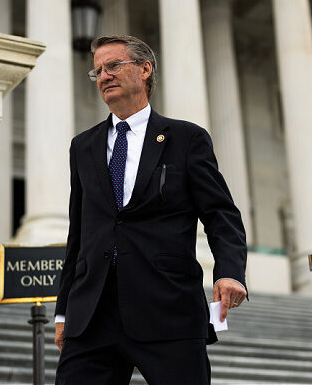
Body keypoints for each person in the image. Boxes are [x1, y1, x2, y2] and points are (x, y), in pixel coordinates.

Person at [54, 35, 247, 385]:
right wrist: (64, 311)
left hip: (167, 307)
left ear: (145, 70)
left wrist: (230, 271)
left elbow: (221, 213)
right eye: (97, 70)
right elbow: (79, 233)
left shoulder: (186, 138)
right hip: (92, 313)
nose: (104, 76)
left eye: (113, 65)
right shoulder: (83, 146)